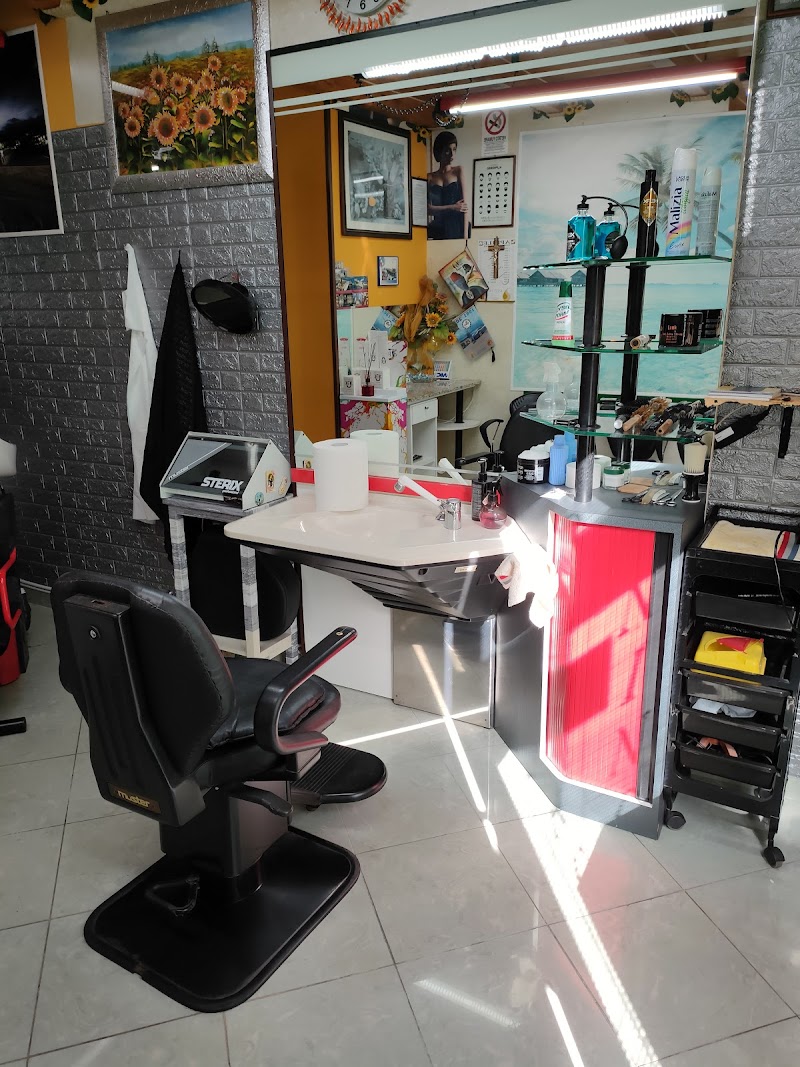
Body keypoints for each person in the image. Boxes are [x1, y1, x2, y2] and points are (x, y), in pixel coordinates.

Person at [427, 131, 467, 241]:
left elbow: (464, 208)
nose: (452, 154)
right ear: (440, 151)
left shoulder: (458, 171)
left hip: (456, 226)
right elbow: (428, 209)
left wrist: (465, 239)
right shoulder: (430, 177)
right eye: (448, 150)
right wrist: (453, 207)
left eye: (454, 149)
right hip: (437, 227)